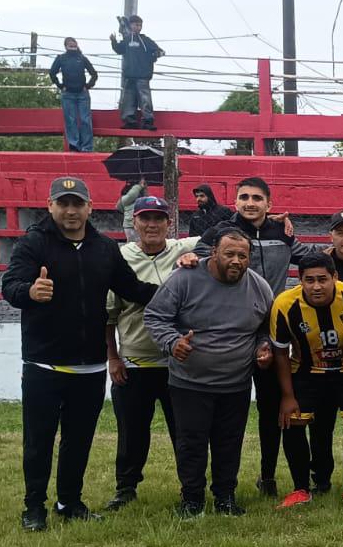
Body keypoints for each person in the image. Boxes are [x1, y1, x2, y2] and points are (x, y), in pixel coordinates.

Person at [0, 177, 159, 531]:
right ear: (50, 205)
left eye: (77, 204)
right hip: (44, 363)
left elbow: (133, 289)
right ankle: (34, 507)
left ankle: (69, 501)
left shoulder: (104, 248)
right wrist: (30, 291)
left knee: (79, 440)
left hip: (90, 366)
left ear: (89, 207)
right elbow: (9, 287)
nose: (70, 211)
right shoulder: (33, 243)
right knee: (38, 441)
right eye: (63, 203)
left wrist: (180, 288)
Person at [190, 177, 313, 498]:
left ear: (269, 204)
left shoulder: (282, 233)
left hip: (272, 332)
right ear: (236, 202)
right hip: (232, 329)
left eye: (257, 198)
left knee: (271, 408)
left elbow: (310, 258)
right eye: (244, 197)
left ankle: (267, 476)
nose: (250, 203)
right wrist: (188, 258)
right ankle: (211, 481)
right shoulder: (223, 230)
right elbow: (198, 254)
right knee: (225, 409)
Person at [144, 229, 276, 517]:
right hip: (190, 383)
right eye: (229, 254)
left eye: (242, 256)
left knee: (229, 443)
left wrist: (263, 347)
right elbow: (154, 316)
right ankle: (192, 499)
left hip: (236, 384)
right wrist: (172, 342)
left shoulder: (260, 287)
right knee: (191, 443)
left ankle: (225, 497)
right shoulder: (184, 279)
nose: (236, 261)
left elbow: (266, 328)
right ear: (214, 252)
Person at [104, 196, 201, 511]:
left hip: (179, 362)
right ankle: (126, 487)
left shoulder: (184, 249)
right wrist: (113, 357)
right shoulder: (121, 258)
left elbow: (225, 236)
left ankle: (191, 489)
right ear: (134, 222)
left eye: (159, 218)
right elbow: (109, 316)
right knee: (132, 432)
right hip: (135, 361)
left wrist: (276, 224)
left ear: (169, 223)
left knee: (185, 432)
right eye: (145, 218)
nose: (152, 224)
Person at [268, 253, 343, 508]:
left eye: (323, 279)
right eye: (310, 280)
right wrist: (287, 396)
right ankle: (301, 488)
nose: (316, 286)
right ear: (300, 280)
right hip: (307, 371)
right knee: (293, 420)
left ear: (335, 277)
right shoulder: (284, 304)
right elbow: (280, 352)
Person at [110, 16, 164, 130]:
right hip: (129, 76)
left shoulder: (145, 40)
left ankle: (148, 121)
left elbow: (160, 51)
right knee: (128, 100)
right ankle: (130, 121)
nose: (138, 27)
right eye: (136, 25)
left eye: (140, 25)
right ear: (130, 25)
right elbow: (119, 49)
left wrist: (155, 55)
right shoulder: (127, 40)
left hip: (143, 76)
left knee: (145, 100)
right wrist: (113, 41)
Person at [49, 37, 99, 152]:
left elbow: (94, 74)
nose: (72, 47)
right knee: (70, 120)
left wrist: (88, 86)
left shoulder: (82, 58)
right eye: (70, 45)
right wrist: (60, 86)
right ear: (65, 46)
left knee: (85, 120)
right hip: (68, 94)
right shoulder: (61, 58)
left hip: (82, 93)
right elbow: (52, 73)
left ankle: (87, 147)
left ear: (77, 45)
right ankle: (74, 145)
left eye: (74, 45)